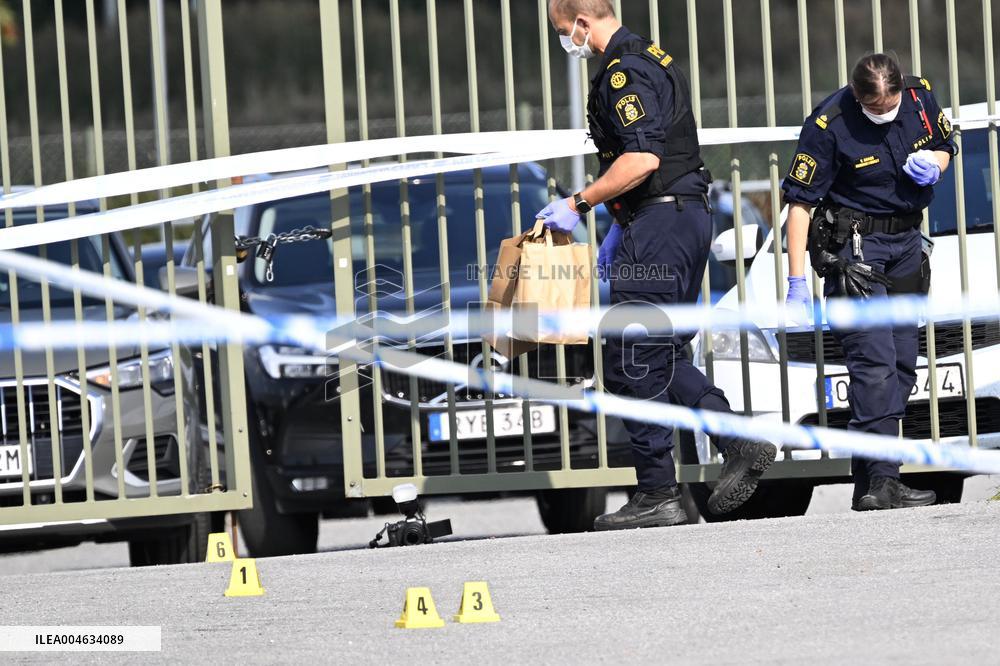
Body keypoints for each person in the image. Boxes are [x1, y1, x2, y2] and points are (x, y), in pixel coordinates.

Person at [537, 0, 777, 530]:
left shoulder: (623, 73)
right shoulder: (655, 56)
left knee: (632, 351)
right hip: (677, 218)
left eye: (563, 32)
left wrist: (580, 203)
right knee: (658, 347)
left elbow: (643, 158)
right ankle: (734, 439)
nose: (566, 42)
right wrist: (621, 224)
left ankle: (658, 492)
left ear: (582, 22)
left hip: (662, 224)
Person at [783, 53, 956, 510]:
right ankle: (884, 478)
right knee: (873, 362)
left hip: (906, 244)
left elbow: (945, 143)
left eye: (892, 102)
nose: (886, 111)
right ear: (858, 97)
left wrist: (936, 164)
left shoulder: (918, 97)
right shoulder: (829, 123)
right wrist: (795, 280)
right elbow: (799, 205)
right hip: (856, 253)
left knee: (901, 363)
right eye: (876, 107)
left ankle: (869, 482)